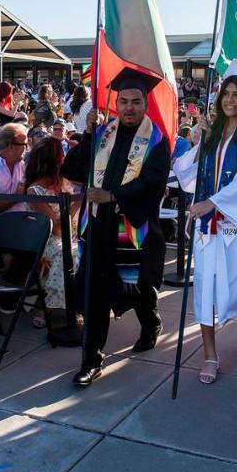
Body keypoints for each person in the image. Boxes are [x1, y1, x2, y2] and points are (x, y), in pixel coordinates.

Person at [62, 68, 171, 387]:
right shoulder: (102, 133)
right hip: (98, 226)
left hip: (133, 228)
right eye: (123, 101)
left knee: (137, 289)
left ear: (145, 103)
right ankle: (91, 360)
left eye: (136, 102)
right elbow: (71, 170)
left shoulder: (156, 142)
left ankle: (150, 323)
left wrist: (114, 195)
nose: (129, 108)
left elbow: (152, 181)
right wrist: (87, 134)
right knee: (94, 293)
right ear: (116, 102)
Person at [173, 61, 237, 384]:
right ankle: (210, 355)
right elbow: (185, 171)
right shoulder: (214, 130)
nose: (229, 100)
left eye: (236, 94)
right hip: (209, 225)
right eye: (225, 93)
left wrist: (214, 202)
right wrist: (201, 140)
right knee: (204, 287)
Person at [25, 137, 79, 325]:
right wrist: (78, 203)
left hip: (70, 236)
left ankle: (78, 304)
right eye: (62, 157)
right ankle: (48, 306)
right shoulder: (35, 192)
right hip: (46, 240)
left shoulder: (64, 184)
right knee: (70, 256)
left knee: (89, 252)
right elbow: (56, 228)